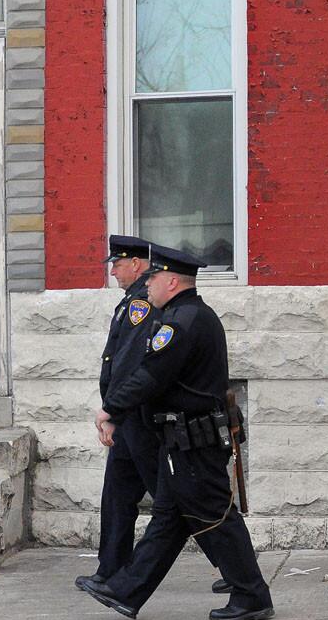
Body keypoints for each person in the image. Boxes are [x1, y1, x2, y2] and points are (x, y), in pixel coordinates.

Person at [80, 243, 274, 620]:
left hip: (194, 440)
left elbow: (151, 376)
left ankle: (252, 594)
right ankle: (127, 590)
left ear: (170, 281)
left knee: (218, 518)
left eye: (153, 278)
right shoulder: (187, 315)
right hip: (183, 438)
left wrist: (109, 409)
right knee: (168, 518)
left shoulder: (180, 322)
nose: (147, 283)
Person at [75, 235, 229, 594]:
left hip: (139, 419)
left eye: (118, 263)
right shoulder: (133, 301)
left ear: (137, 265)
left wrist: (115, 410)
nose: (113, 270)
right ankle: (110, 569)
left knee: (176, 501)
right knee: (118, 493)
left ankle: (230, 564)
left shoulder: (143, 306)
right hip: (130, 417)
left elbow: (133, 364)